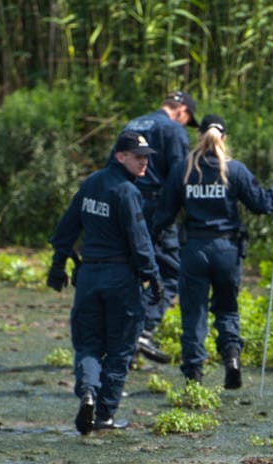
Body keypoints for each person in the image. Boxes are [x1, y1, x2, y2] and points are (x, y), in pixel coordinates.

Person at [152, 115, 273, 388]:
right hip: (227, 249)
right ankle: (232, 358)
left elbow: (163, 215)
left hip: (194, 250)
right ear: (223, 138)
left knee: (193, 314)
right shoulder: (235, 170)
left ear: (199, 136)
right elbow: (262, 205)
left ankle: (194, 377)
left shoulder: (183, 170)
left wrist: (144, 242)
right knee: (226, 308)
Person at [49, 130, 164, 434]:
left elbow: (65, 229)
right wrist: (153, 277)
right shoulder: (127, 192)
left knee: (87, 344)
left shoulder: (90, 184)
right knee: (120, 348)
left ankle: (87, 391)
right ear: (120, 156)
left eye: (147, 158)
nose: (144, 164)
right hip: (121, 280)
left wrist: (58, 264)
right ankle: (104, 415)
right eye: (138, 158)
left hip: (88, 278)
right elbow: (140, 243)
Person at [114, 90, 195, 355]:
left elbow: (113, 167)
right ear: (181, 110)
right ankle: (143, 331)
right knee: (172, 272)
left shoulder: (133, 124)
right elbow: (179, 175)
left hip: (125, 203)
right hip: (155, 206)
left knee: (132, 270)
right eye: (187, 119)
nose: (185, 124)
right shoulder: (173, 130)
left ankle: (123, 335)